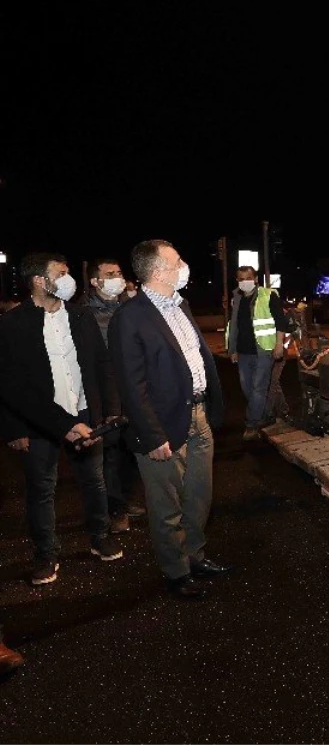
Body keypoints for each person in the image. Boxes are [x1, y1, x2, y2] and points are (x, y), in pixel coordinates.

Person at [109, 239, 230, 600]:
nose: (183, 266)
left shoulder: (180, 306)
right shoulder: (129, 317)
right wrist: (151, 434)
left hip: (198, 416)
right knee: (166, 505)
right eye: (177, 261)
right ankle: (176, 573)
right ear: (159, 271)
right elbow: (132, 385)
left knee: (199, 496)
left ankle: (195, 556)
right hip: (162, 427)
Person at [0, 252, 125, 587]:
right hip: (38, 424)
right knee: (42, 490)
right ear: (40, 280)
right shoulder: (13, 324)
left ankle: (99, 537)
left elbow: (102, 364)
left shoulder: (80, 316)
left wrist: (108, 410)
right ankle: (46, 555)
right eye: (62, 273)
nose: (69, 279)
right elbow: (10, 385)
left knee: (94, 481)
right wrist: (13, 428)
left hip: (84, 413)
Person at [85, 257, 146, 532]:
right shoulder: (84, 313)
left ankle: (127, 498)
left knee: (132, 448)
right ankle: (115, 509)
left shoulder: (130, 307)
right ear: (95, 281)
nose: (117, 278)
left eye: (119, 273)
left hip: (133, 389)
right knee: (110, 452)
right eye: (110, 274)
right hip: (104, 394)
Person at [225, 266, 291, 440]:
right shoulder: (237, 299)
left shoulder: (269, 295)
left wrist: (278, 345)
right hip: (243, 352)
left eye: (248, 278)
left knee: (258, 388)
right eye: (240, 279)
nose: (244, 281)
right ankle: (266, 414)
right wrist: (232, 350)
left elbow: (280, 322)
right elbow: (233, 326)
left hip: (264, 349)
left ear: (255, 279)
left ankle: (252, 425)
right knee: (247, 388)